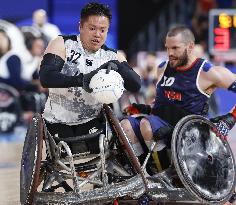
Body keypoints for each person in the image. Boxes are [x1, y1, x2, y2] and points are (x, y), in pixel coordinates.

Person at [120, 25, 236, 173]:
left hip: (188, 131)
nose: (170, 53)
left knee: (146, 125)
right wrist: (145, 108)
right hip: (161, 122)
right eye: (167, 48)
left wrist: (230, 118)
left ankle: (161, 176)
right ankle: (142, 173)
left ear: (190, 46)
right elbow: (162, 103)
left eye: (175, 48)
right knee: (125, 126)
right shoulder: (162, 68)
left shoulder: (208, 72)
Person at [39, 2, 141, 154]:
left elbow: (136, 85)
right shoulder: (62, 43)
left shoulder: (113, 55)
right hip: (57, 122)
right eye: (92, 28)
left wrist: (119, 66)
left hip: (92, 123)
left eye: (102, 30)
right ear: (81, 26)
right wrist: (83, 80)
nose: (97, 34)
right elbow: (46, 78)